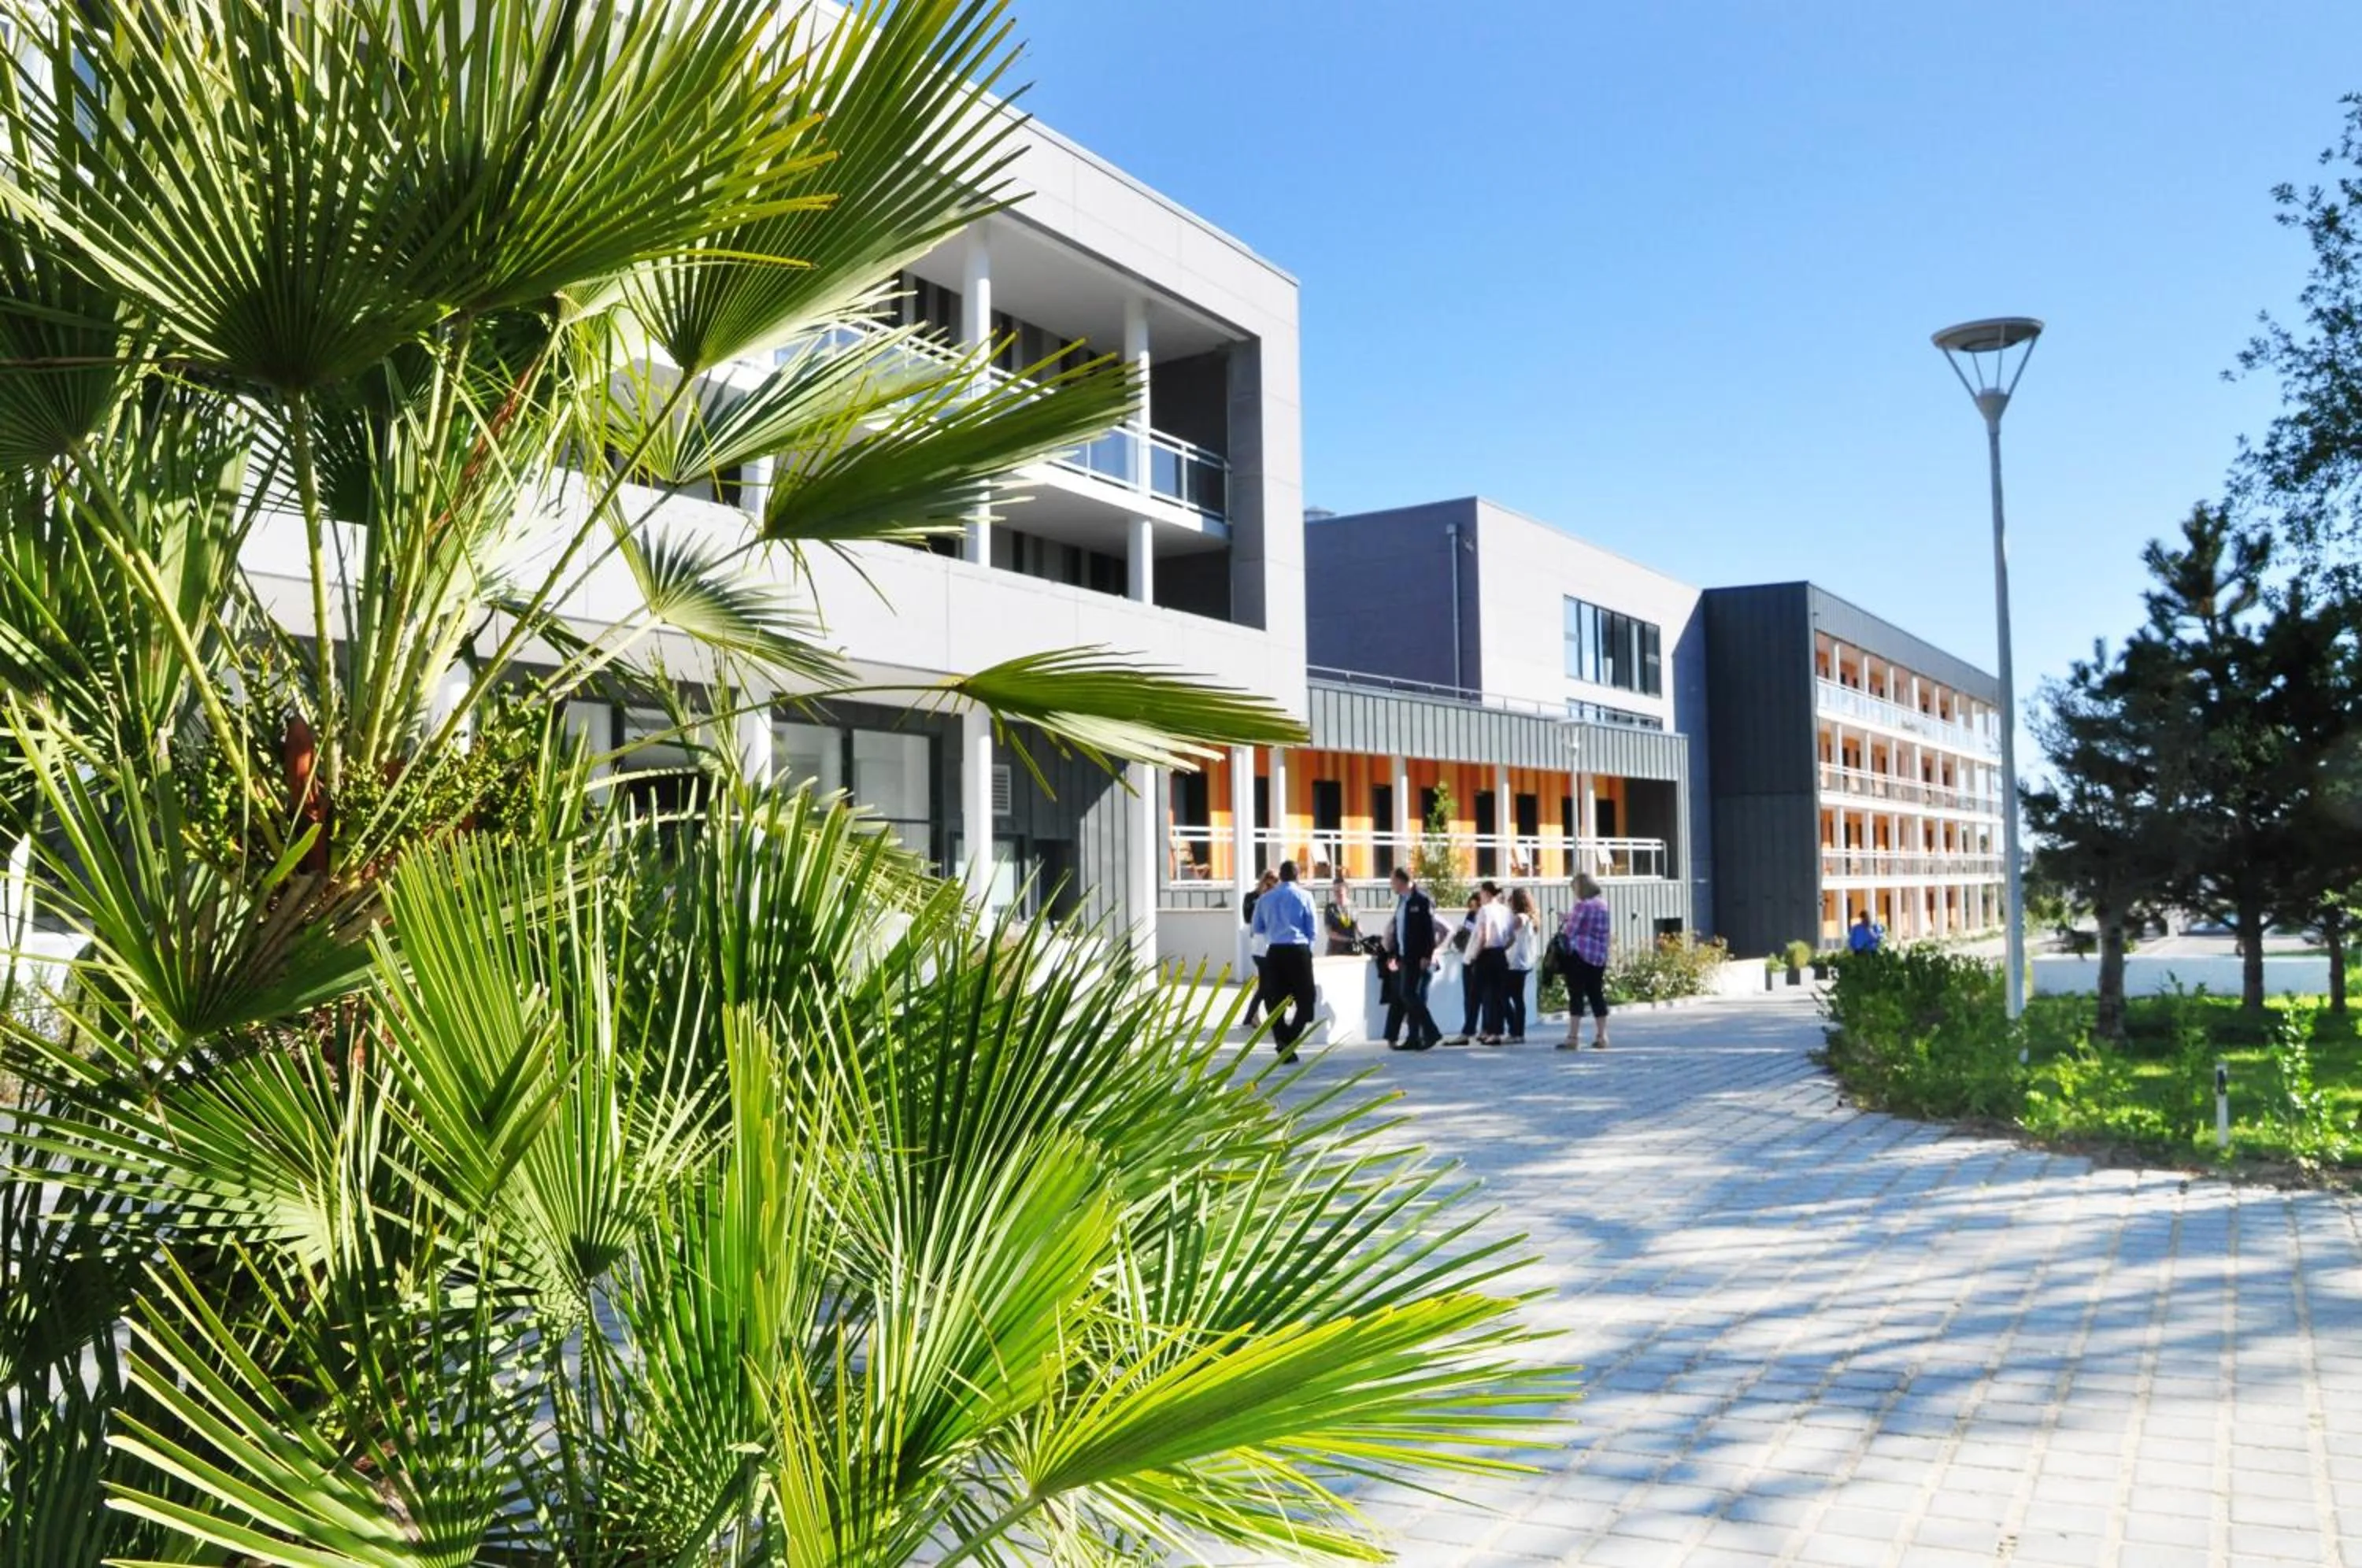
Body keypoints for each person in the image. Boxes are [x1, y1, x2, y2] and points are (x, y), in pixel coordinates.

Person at [1249, 860, 1320, 1060]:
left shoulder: (1265, 899)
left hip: (1275, 951)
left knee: (1274, 1001)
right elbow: (1312, 930)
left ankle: (1282, 1040)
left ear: (1280, 876)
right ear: (1298, 875)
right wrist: (1308, 951)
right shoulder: (1305, 896)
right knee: (1306, 1001)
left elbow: (1258, 928)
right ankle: (1288, 1041)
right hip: (1298, 950)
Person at [1383, 867, 1443, 1050]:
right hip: (1403, 955)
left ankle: (1431, 1032)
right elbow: (1398, 931)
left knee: (1408, 994)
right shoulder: (1402, 901)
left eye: (1393, 881)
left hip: (1417, 956)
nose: (1392, 885)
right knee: (1408, 996)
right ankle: (1414, 1037)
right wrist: (1393, 954)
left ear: (1402, 881)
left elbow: (1429, 931)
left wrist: (1427, 955)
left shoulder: (1422, 900)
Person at [1556, 872, 1612, 1050]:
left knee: (1576, 995)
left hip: (1580, 954)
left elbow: (1571, 932)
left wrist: (1566, 922)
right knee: (1596, 994)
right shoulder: (1603, 905)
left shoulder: (1582, 906)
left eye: (1575, 888)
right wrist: (1569, 916)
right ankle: (1602, 1036)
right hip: (1599, 956)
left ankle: (1573, 1037)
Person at [1468, 879, 1514, 1045]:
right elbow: (1512, 937)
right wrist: (1502, 947)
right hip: (1500, 954)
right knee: (1498, 995)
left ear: (1486, 893)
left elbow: (1484, 936)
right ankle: (1496, 1031)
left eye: (1481, 893)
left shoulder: (1485, 910)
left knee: (1478, 994)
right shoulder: (1506, 911)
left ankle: (1478, 1030)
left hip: (1486, 954)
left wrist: (1475, 955)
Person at [1444, 892, 1483, 1045]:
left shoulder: (1484, 916)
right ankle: (1470, 1029)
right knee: (1469, 997)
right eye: (1470, 906)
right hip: (1467, 957)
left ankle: (1480, 1029)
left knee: (1479, 998)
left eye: (1474, 906)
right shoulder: (1471, 915)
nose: (1472, 909)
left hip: (1476, 959)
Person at [1240, 868, 1277, 1026]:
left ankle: (1251, 1017)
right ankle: (1255, 1016)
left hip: (1274, 944)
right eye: (1268, 881)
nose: (1270, 885)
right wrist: (1261, 897)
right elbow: (1247, 918)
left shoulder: (1276, 898)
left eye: (1274, 882)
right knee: (1264, 984)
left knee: (1269, 984)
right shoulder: (1252, 897)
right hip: (1260, 946)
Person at [1503, 887, 1538, 1044]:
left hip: (1515, 963)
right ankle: (1517, 1032)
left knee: (1507, 997)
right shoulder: (1531, 917)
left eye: (1511, 899)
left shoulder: (1521, 917)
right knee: (1516, 998)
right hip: (1521, 962)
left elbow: (1510, 932)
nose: (1509, 902)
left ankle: (1516, 1032)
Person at [1324, 876, 1362, 956]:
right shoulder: (1330, 908)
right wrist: (1347, 939)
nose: (1337, 893)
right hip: (1335, 950)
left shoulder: (1353, 906)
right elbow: (1329, 932)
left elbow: (1357, 925)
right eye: (1335, 891)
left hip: (1351, 949)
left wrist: (1361, 936)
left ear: (1346, 890)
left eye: (1340, 890)